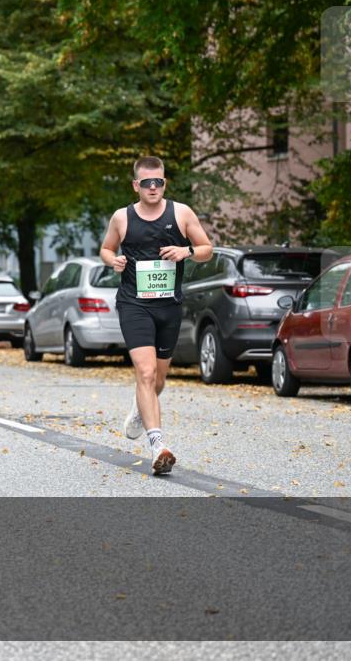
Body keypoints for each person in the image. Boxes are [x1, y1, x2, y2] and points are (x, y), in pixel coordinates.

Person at [99, 156, 213, 475]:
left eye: (158, 182)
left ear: (165, 183)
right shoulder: (122, 217)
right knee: (146, 372)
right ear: (136, 185)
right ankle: (158, 446)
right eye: (146, 182)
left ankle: (140, 409)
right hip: (134, 304)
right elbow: (106, 249)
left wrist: (186, 251)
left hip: (168, 307)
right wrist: (113, 261)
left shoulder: (181, 213)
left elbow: (207, 249)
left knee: (158, 380)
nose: (153, 187)